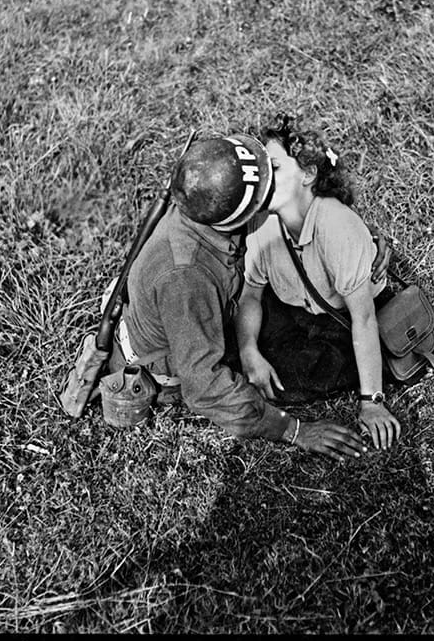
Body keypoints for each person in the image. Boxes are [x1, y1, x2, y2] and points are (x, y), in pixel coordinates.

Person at [109, 132, 380, 462]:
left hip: (224, 307)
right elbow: (204, 388)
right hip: (183, 353)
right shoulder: (185, 278)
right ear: (236, 217)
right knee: (319, 369)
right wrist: (294, 430)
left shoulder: (206, 197)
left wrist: (365, 247)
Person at [235, 114, 403, 452]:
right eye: (262, 168)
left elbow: (364, 318)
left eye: (277, 168)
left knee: (291, 378)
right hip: (294, 308)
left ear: (308, 174)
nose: (265, 178)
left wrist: (372, 401)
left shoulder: (336, 225)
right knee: (238, 346)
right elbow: (251, 295)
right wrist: (248, 349)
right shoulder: (264, 223)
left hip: (345, 319)